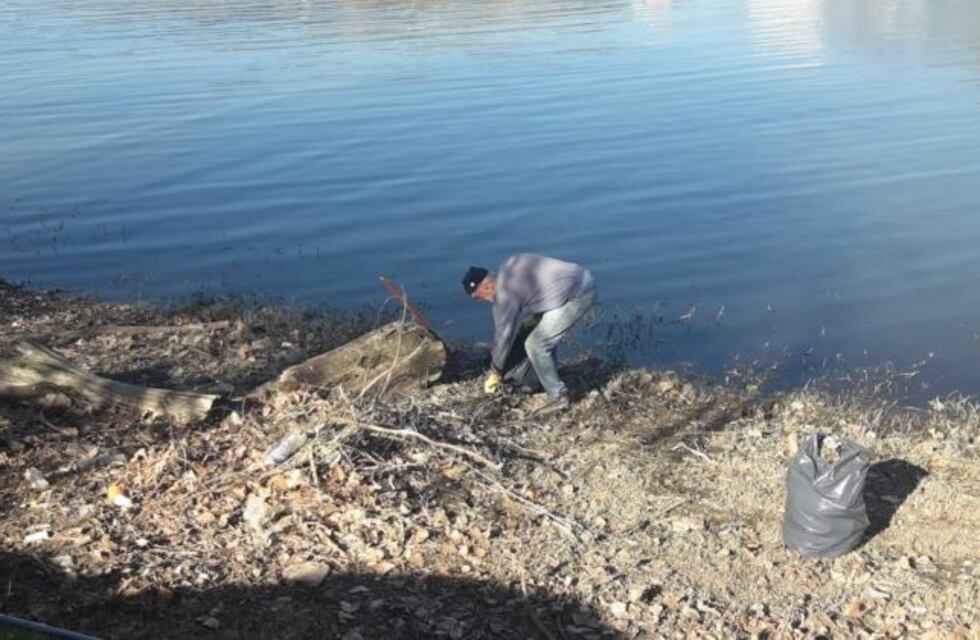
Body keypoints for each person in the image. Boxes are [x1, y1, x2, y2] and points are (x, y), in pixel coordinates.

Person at [462, 254, 596, 413]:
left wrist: (496, 371)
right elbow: (539, 285)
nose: (483, 301)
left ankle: (559, 397)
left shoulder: (503, 295)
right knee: (531, 328)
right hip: (580, 277)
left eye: (478, 298)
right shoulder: (511, 263)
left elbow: (503, 337)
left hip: (577, 295)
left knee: (537, 344)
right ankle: (547, 375)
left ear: (486, 287)